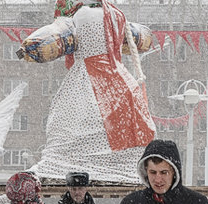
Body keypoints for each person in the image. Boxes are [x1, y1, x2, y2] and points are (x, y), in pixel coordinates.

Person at [20, 0, 155, 183]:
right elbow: (142, 38)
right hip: (121, 83)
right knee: (128, 124)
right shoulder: (116, 16)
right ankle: (127, 166)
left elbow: (47, 40)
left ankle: (70, 165)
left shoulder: (79, 17)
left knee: (74, 119)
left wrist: (26, 49)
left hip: (88, 76)